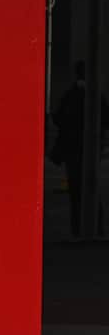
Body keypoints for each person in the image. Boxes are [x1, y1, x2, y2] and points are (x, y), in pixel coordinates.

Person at [52, 61, 108, 236]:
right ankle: (95, 228)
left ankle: (77, 228)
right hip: (89, 151)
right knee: (91, 188)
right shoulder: (96, 96)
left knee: (76, 191)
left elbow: (58, 117)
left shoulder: (70, 96)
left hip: (73, 151)